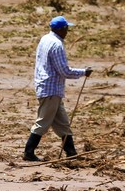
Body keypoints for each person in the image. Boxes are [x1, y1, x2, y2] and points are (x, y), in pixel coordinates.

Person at [23, 16, 93, 161]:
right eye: (67, 29)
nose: (67, 32)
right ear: (61, 29)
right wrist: (83, 72)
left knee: (63, 123)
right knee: (43, 122)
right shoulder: (57, 45)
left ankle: (71, 152)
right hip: (51, 89)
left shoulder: (45, 39)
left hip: (46, 87)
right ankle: (28, 152)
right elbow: (64, 71)